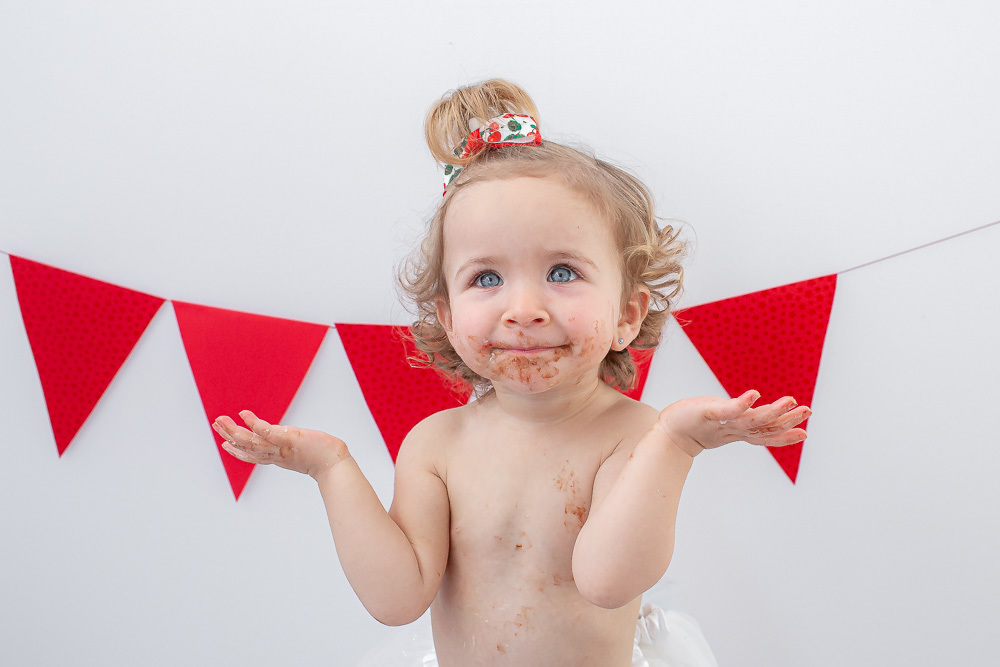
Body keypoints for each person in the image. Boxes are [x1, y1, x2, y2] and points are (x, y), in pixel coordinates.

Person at [212, 79, 810, 666]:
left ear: (628, 314)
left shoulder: (632, 435)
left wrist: (676, 445)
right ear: (446, 317)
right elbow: (396, 600)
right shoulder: (437, 444)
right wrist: (332, 467)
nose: (523, 310)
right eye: (487, 279)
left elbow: (607, 580)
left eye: (563, 272)